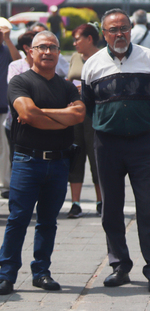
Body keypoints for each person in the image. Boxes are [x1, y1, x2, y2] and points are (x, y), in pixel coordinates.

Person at [81, 8, 150, 293]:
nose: (119, 34)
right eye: (113, 29)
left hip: (143, 143)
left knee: (147, 206)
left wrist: (144, 121)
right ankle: (120, 265)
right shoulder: (92, 65)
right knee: (111, 208)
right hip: (107, 145)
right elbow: (88, 105)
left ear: (131, 29)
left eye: (124, 28)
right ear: (103, 33)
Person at [0, 31, 85, 295]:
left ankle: (41, 272)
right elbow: (25, 113)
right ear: (31, 52)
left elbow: (79, 114)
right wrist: (61, 116)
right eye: (42, 47)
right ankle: (6, 275)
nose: (48, 52)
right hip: (27, 160)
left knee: (48, 221)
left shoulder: (67, 86)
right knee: (18, 219)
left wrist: (41, 113)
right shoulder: (20, 82)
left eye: (53, 47)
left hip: (59, 163)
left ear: (59, 53)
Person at [65, 23, 103, 218]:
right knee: (75, 155)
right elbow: (68, 80)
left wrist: (89, 91)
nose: (75, 43)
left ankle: (100, 201)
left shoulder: (104, 57)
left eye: (78, 38)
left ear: (90, 39)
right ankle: (76, 203)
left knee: (96, 157)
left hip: (94, 114)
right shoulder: (74, 57)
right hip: (74, 115)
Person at [4, 32, 36, 170]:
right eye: (39, 46)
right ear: (28, 48)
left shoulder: (50, 66)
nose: (46, 51)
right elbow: (16, 91)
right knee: (17, 162)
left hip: (41, 124)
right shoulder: (16, 66)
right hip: (15, 123)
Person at [0, 21, 22, 198]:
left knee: (6, 148)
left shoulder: (7, 50)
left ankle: (5, 182)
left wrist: (8, 40)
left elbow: (19, 62)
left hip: (3, 107)